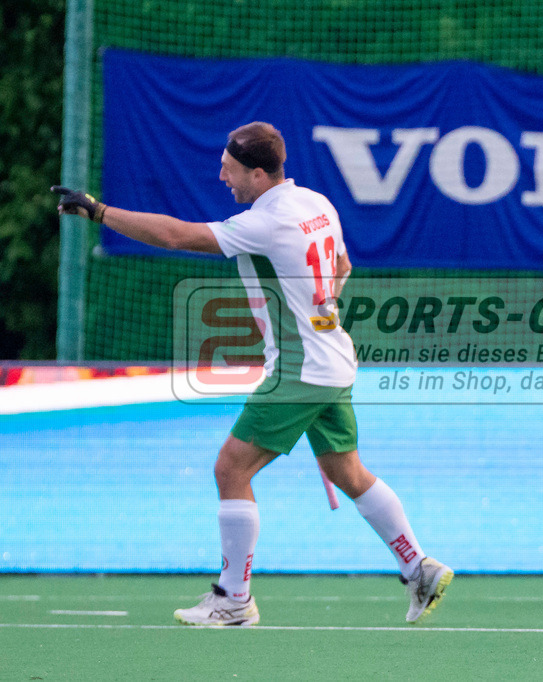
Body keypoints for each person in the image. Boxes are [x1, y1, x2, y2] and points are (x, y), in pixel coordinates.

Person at [52, 121, 452, 626]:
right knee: (347, 472)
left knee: (231, 468)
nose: (223, 178)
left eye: (230, 170)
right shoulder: (317, 204)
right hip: (332, 359)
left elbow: (176, 236)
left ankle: (233, 599)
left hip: (301, 369)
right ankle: (418, 567)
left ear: (259, 173)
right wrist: (316, 314)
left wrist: (99, 211)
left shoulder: (266, 222)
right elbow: (344, 267)